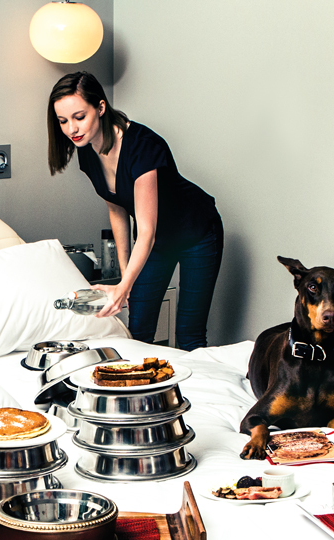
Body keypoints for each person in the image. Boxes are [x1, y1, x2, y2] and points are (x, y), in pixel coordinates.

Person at [47, 72, 223, 350]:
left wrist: (125, 285)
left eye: (79, 117)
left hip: (196, 233)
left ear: (101, 107)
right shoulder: (86, 148)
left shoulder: (143, 147)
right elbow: (116, 209)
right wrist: (124, 274)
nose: (72, 129)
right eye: (63, 121)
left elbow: (147, 231)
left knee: (190, 336)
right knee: (138, 332)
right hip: (155, 241)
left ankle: (189, 393)